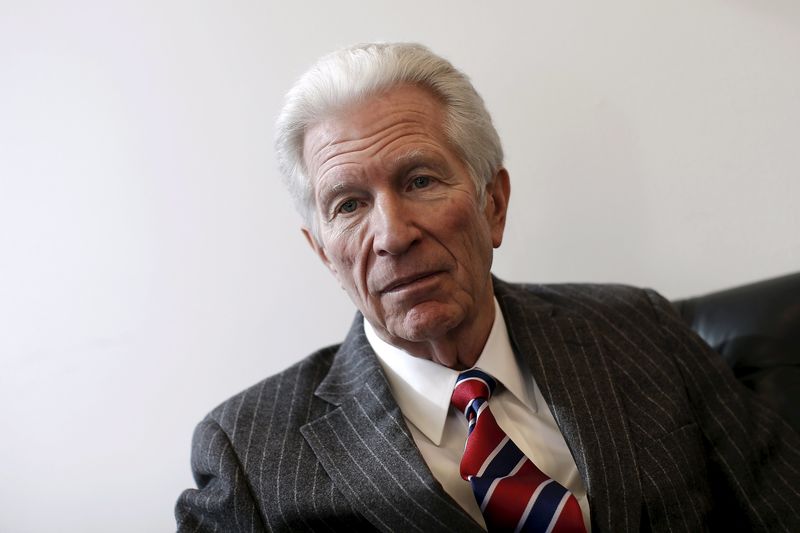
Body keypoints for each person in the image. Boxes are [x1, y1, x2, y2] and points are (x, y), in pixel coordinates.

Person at [175, 42, 800, 532]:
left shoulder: (640, 328)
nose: (392, 235)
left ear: (492, 204)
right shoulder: (249, 456)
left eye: (420, 180)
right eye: (348, 205)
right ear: (324, 256)